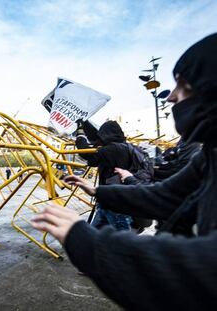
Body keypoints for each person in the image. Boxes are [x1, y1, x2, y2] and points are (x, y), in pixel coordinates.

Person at [32, 33, 217, 310]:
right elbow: (166, 195)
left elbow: (204, 271)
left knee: (117, 227)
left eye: (185, 85)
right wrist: (98, 191)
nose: (172, 97)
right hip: (115, 193)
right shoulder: (210, 155)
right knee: (111, 224)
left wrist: (86, 242)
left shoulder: (115, 150)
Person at [76, 120, 136, 231]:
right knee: (94, 235)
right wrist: (84, 125)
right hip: (107, 201)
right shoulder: (122, 147)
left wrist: (80, 135)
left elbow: (87, 154)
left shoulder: (114, 149)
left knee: (122, 239)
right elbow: (94, 160)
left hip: (117, 204)